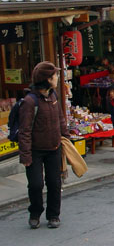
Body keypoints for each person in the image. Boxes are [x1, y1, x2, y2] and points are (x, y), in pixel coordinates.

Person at [18, 61, 69, 229]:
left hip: (54, 147)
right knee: (36, 184)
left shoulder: (53, 95)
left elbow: (60, 118)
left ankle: (54, 215)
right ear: (46, 79)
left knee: (54, 183)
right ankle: (35, 212)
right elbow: (25, 130)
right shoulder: (30, 101)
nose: (57, 78)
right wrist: (25, 155)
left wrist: (66, 138)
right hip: (35, 151)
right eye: (54, 75)